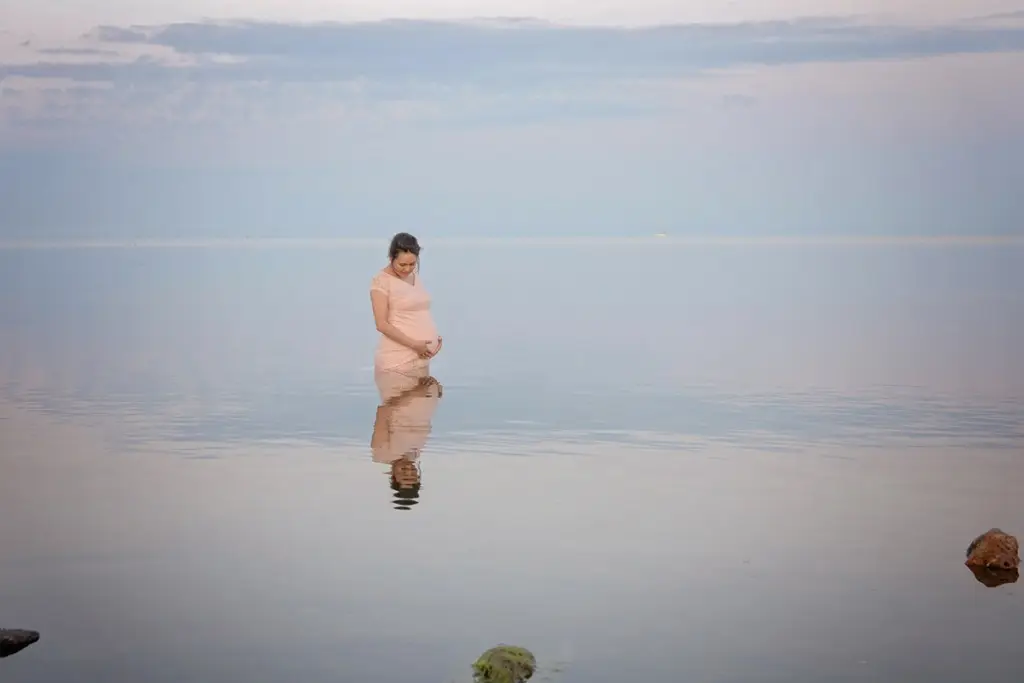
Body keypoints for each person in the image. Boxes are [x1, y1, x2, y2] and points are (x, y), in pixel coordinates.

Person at [369, 232, 443, 392]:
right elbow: (381, 324)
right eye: (402, 265)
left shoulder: (414, 276)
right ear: (391, 258)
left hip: (421, 357)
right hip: (397, 359)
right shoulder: (381, 281)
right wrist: (415, 344)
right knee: (395, 410)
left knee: (416, 413)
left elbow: (417, 311)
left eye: (412, 264)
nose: (407, 269)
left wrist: (433, 340)